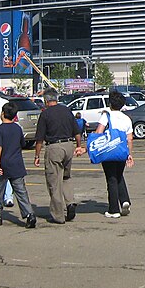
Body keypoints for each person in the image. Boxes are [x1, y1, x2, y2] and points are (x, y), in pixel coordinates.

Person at [33, 88, 84, 224]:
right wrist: (78, 146)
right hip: (68, 145)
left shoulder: (45, 114)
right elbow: (77, 131)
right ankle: (70, 202)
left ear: (46, 100)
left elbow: (39, 138)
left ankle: (58, 215)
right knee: (66, 176)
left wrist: (37, 155)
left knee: (54, 182)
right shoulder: (67, 110)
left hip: (54, 147)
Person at [0, 101, 36, 228]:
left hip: (4, 163)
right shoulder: (17, 128)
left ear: (3, 114)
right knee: (21, 191)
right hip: (16, 163)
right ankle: (29, 214)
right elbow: (22, 143)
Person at [94, 90, 134, 218]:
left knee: (111, 178)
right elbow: (130, 138)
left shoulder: (106, 115)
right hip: (122, 150)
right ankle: (125, 200)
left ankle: (113, 209)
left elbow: (99, 132)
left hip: (109, 150)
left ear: (110, 103)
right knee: (119, 175)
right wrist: (130, 154)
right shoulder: (127, 118)